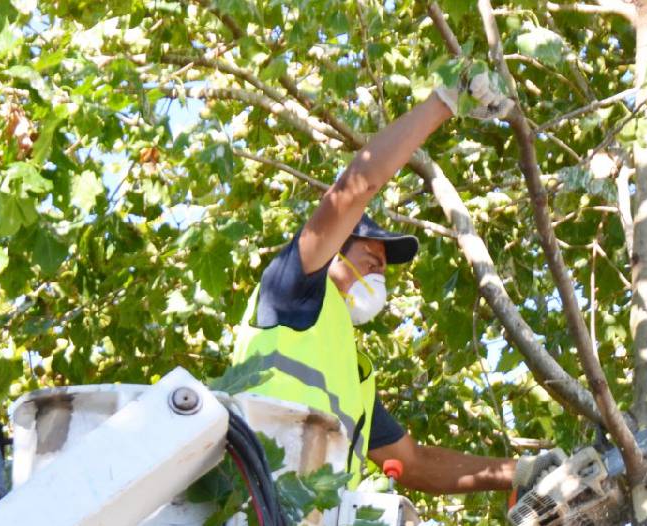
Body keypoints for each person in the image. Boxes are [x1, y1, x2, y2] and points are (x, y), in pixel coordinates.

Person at [233, 74, 560, 497]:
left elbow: (414, 463)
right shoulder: (291, 287)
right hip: (255, 503)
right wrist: (443, 103)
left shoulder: (353, 375)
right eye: (370, 260)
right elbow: (355, 189)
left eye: (383, 271)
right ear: (332, 250)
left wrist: (518, 471)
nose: (377, 276)